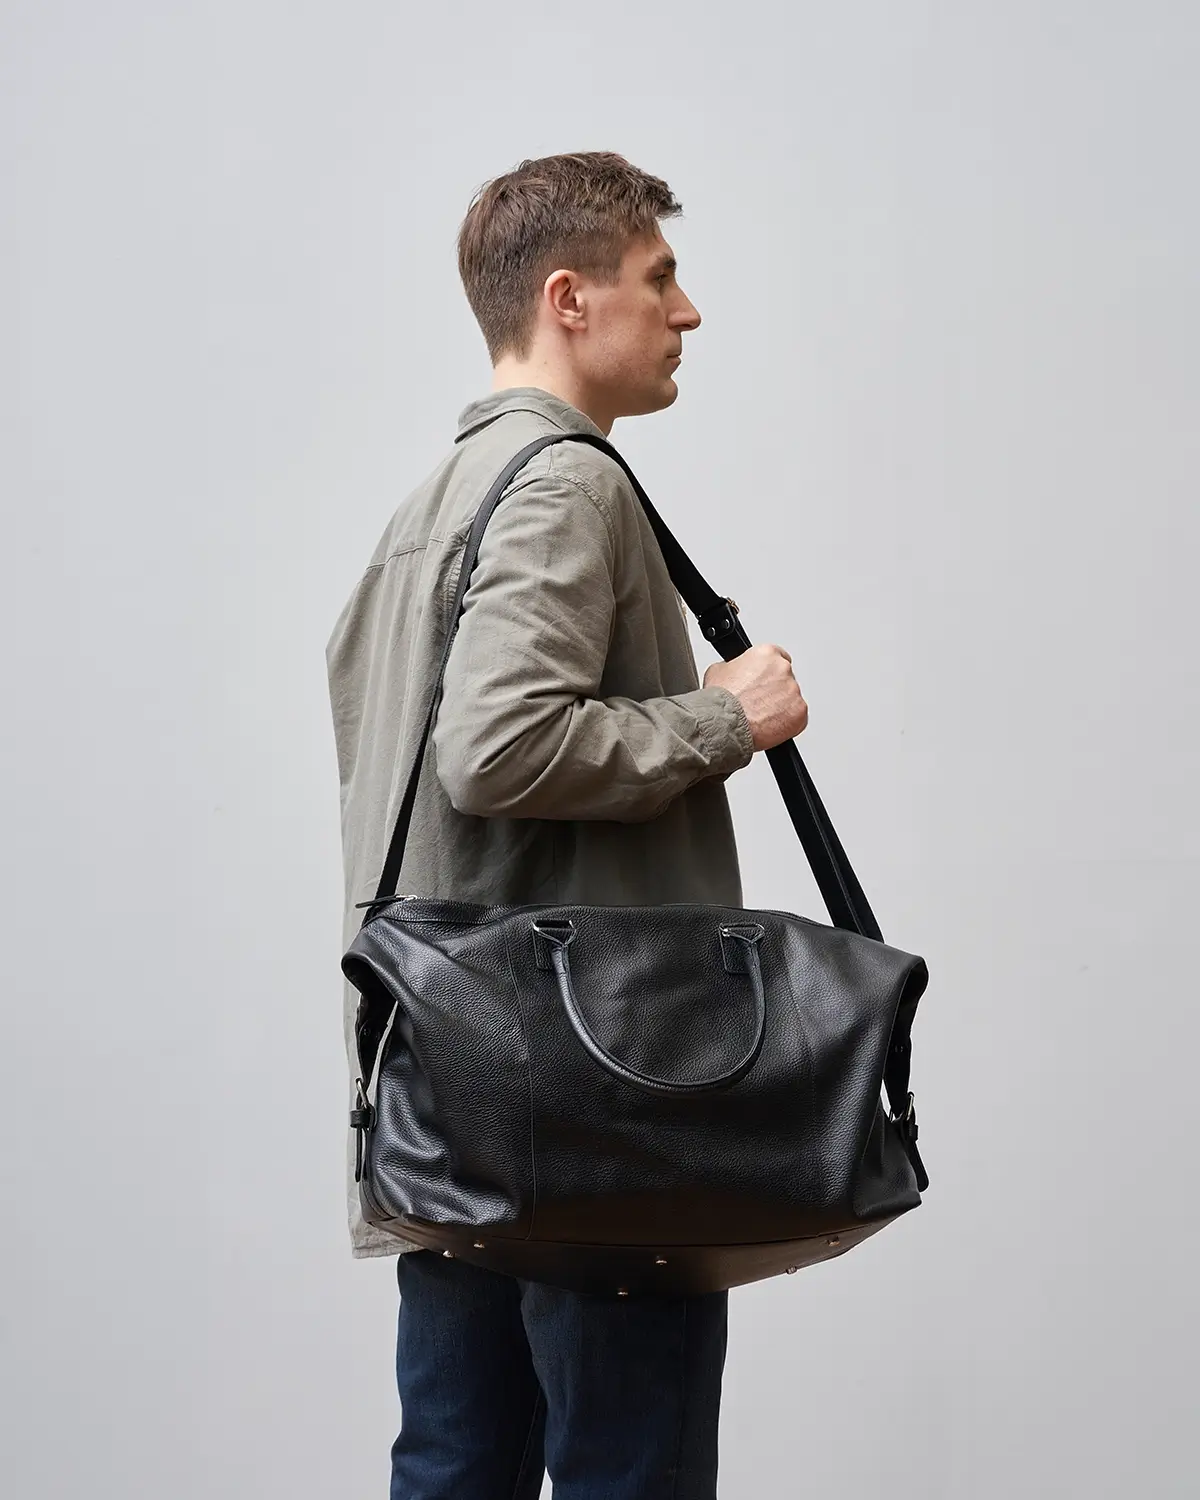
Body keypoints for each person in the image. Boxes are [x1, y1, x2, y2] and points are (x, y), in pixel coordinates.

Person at [325, 150, 809, 1500]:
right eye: (661, 277)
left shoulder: (423, 514)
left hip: (451, 1094)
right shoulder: (569, 485)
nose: (687, 311)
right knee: (627, 1470)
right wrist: (723, 718)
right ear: (567, 299)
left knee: (456, 1467)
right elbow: (499, 747)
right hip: (595, 1099)